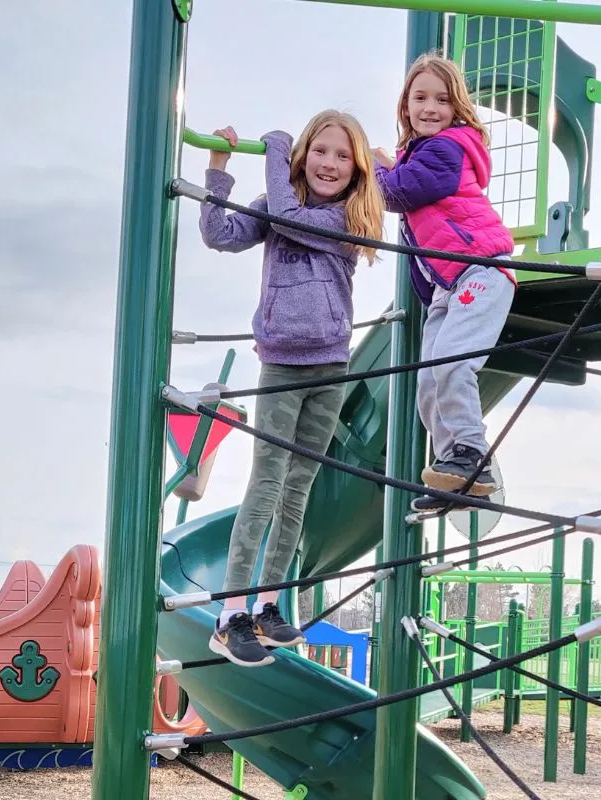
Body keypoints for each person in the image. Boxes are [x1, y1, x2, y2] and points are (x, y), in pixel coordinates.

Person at [199, 110, 385, 666]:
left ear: (355, 170)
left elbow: (290, 216)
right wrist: (218, 169)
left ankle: (270, 605)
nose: (330, 164)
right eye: (319, 151)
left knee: (298, 489)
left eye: (342, 155)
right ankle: (230, 614)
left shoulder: (349, 218)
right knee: (266, 485)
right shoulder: (278, 208)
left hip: (330, 366)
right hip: (281, 364)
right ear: (304, 156)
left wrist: (277, 148)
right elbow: (219, 234)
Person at [373, 53, 516, 512]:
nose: (430, 107)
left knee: (454, 364)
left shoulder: (447, 149)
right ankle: (451, 472)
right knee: (429, 380)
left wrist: (375, 166)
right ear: (406, 106)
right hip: (448, 284)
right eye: (420, 98)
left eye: (441, 99)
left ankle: (472, 453)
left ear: (457, 108)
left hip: (482, 271)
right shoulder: (417, 154)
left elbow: (398, 192)